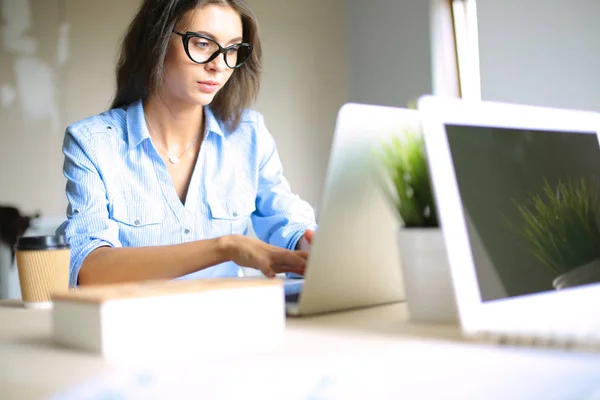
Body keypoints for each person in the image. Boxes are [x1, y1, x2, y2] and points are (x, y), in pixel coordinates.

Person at [56, 0, 318, 287]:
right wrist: (224, 247)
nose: (218, 65)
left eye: (232, 49)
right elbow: (90, 269)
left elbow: (291, 226)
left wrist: (315, 251)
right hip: (134, 327)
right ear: (156, 41)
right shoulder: (93, 143)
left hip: (229, 323)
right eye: (203, 44)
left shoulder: (249, 135)